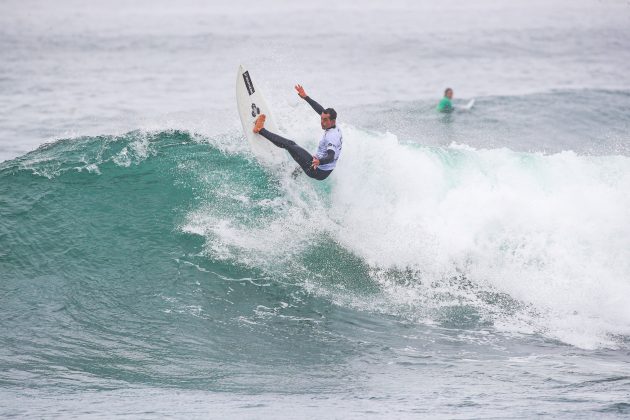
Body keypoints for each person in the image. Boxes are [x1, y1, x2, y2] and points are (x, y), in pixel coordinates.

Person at [252, 84, 342, 181]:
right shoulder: (333, 124)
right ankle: (288, 180)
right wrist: (305, 97)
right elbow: (321, 110)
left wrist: (319, 161)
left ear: (332, 121)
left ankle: (260, 129)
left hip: (317, 170)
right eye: (322, 119)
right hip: (324, 171)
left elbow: (331, 156)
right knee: (300, 160)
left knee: (290, 144)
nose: (322, 122)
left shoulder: (332, 136)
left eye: (325, 120)